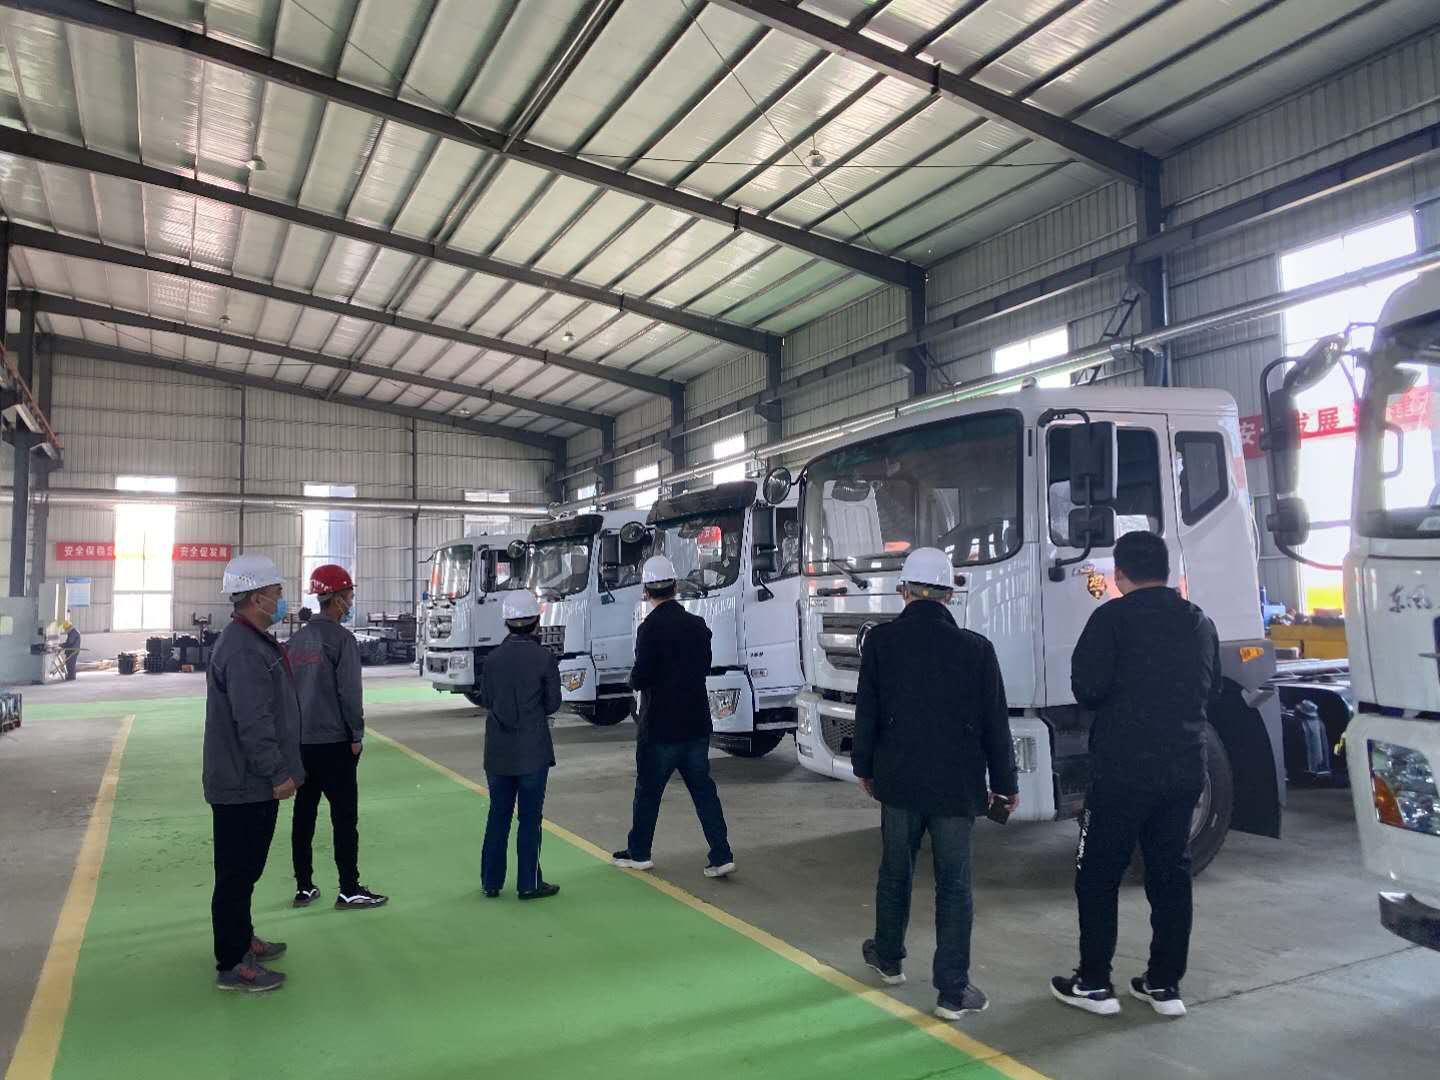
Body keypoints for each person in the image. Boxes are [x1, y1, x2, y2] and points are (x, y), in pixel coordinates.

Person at [1051, 530, 1222, 1019]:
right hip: (1185, 767)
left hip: (1122, 770)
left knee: (1098, 873)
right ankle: (1164, 985)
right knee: (1170, 873)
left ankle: (1093, 983)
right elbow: (1210, 687)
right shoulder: (1198, 621)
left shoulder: (1111, 619)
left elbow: (1087, 688)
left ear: (1119, 573)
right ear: (1165, 571)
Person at [851, 547, 1018, 1022]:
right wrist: (1004, 783)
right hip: (956, 786)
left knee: (895, 871)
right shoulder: (977, 649)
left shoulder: (881, 642)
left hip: (899, 780)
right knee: (954, 885)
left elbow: (867, 712)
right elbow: (995, 725)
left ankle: (888, 958)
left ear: (904, 591)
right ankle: (952, 990)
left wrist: (864, 767)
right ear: (949, 594)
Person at [204, 553, 305, 993]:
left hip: (246, 781)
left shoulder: (251, 641)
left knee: (244, 870)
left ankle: (242, 938)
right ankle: (232, 963)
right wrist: (277, 772)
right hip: (245, 782)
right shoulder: (244, 649)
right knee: (236, 873)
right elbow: (253, 721)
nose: (282, 600)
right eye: (278, 592)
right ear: (258, 597)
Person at [611, 555, 734, 878]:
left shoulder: (648, 629)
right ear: (676, 587)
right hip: (695, 723)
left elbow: (642, 676)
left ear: (646, 591)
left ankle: (640, 853)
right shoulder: (698, 625)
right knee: (703, 792)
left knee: (648, 792)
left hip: (660, 727)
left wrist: (631, 679)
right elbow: (704, 666)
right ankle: (721, 854)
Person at [287, 564, 387, 911]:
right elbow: (349, 694)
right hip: (334, 742)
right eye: (349, 596)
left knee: (304, 814)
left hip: (302, 743)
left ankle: (304, 886)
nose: (351, 602)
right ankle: (348, 888)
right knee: (344, 817)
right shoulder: (342, 640)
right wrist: (356, 734)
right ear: (337, 598)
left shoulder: (295, 642)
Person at [478, 591, 562, 900]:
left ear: (506, 622)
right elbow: (553, 703)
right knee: (529, 819)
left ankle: (491, 882)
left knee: (498, 816)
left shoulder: (492, 659)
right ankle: (529, 883)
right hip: (532, 751)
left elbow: (487, 699)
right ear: (536, 621)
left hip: (498, 752)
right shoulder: (544, 658)